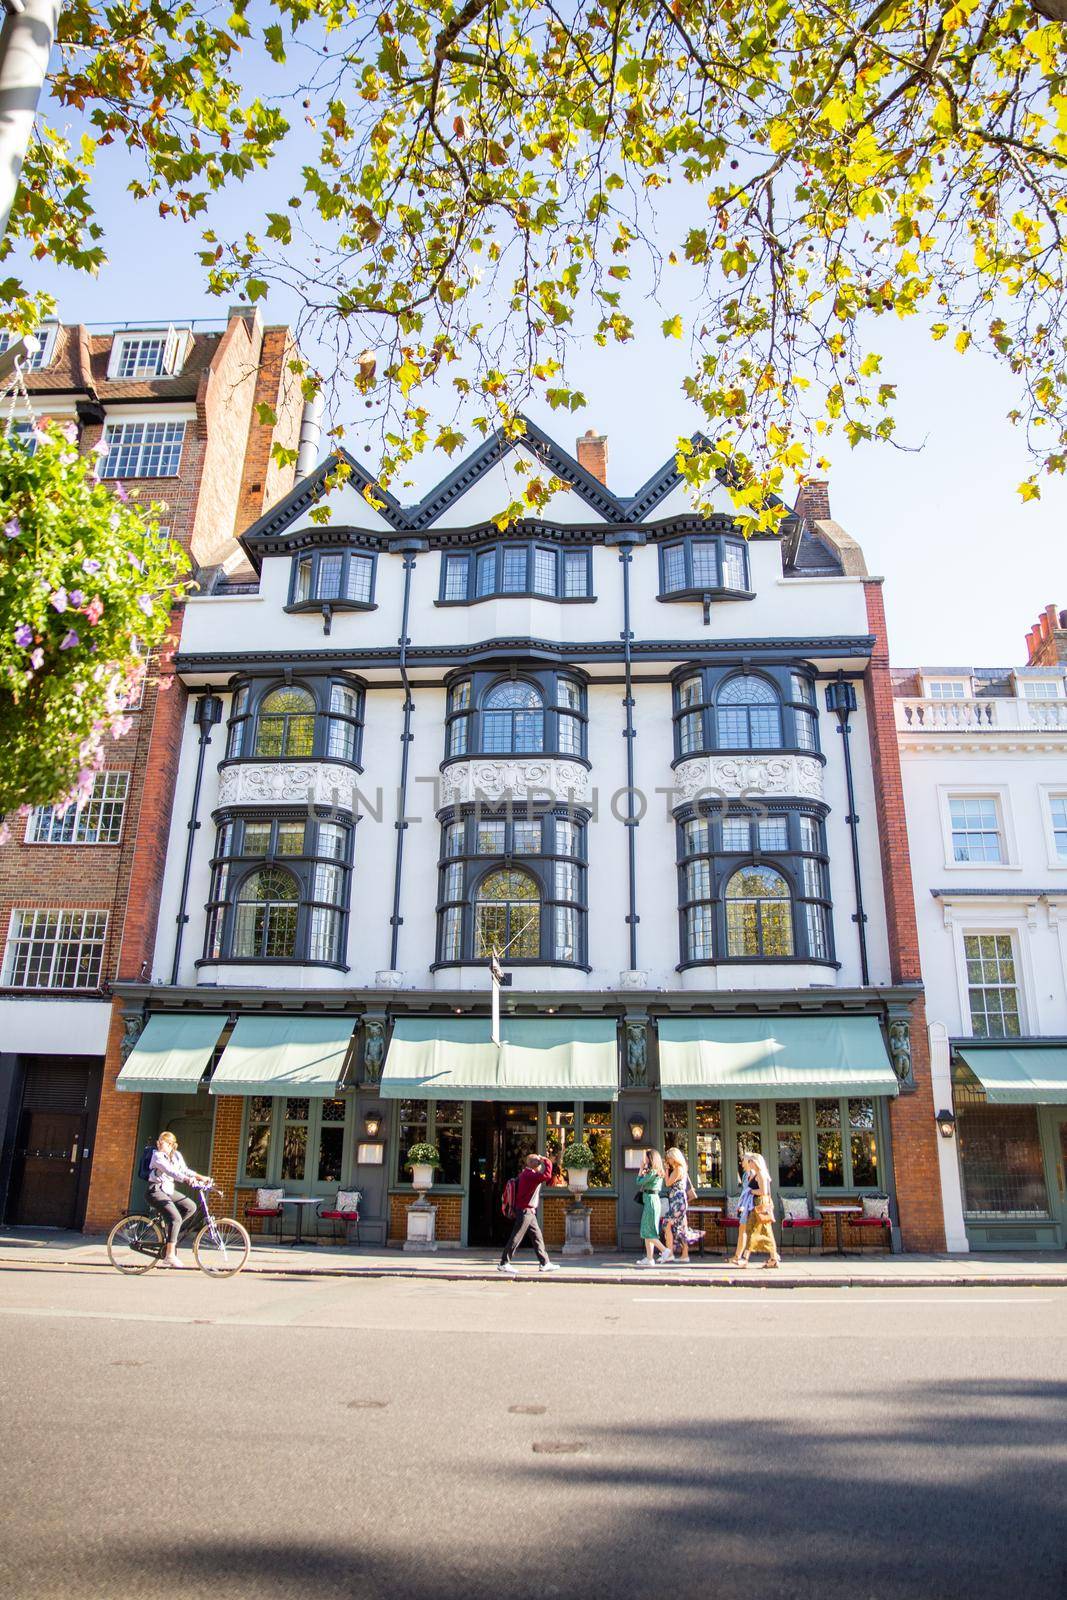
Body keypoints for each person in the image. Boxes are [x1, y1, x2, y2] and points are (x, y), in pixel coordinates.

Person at [147, 1131, 211, 1268]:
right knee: (176, 1218)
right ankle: (169, 1256)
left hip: (168, 1190)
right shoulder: (157, 1156)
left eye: (161, 1142)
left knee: (191, 1207)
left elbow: (184, 1170)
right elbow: (171, 1171)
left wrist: (202, 1178)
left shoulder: (176, 1155)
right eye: (158, 1141)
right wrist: (187, 1180)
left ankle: (171, 1230)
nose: (158, 1144)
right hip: (156, 1190)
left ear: (170, 1144)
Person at [497, 1153, 560, 1274]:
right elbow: (547, 1176)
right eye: (538, 1162)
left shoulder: (526, 1174)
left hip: (529, 1211)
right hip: (525, 1211)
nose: (540, 1164)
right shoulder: (529, 1175)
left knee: (537, 1237)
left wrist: (542, 1161)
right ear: (532, 1164)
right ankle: (503, 1263)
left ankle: (545, 1263)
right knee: (516, 1237)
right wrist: (547, 1160)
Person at [730, 1151, 780, 1269]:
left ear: (756, 1162)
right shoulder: (756, 1174)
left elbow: (764, 1192)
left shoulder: (761, 1174)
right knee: (754, 1230)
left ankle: (748, 1259)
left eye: (751, 1161)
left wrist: (751, 1191)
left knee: (759, 1231)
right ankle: (771, 1259)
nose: (749, 1163)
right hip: (755, 1205)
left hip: (759, 1205)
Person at [663, 1146, 702, 1263]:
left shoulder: (678, 1169)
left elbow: (668, 1183)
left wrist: (666, 1170)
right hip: (679, 1201)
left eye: (669, 1159)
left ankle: (669, 1253)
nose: (668, 1161)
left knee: (666, 1224)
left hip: (677, 1201)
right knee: (682, 1228)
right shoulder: (682, 1169)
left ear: (674, 1158)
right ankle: (684, 1255)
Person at [635, 1147, 673, 1266]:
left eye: (646, 1156)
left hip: (651, 1201)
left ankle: (665, 1250)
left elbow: (639, 1181)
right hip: (652, 1200)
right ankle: (649, 1258)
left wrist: (641, 1168)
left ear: (650, 1158)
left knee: (648, 1230)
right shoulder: (655, 1171)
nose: (644, 1159)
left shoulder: (652, 1172)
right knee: (648, 1229)